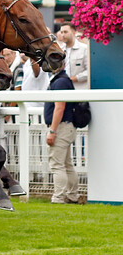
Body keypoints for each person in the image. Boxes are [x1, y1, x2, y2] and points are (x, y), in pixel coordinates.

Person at [44, 61, 81, 204]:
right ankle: (72, 196)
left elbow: (59, 108)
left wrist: (53, 131)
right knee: (66, 164)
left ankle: (58, 198)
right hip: (67, 126)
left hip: (61, 127)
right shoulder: (63, 80)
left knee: (57, 165)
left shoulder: (59, 82)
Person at [58, 22, 89, 91]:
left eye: (65, 32)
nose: (63, 35)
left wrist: (75, 78)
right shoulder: (60, 50)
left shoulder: (84, 49)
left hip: (79, 90)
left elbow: (89, 71)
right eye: (61, 32)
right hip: (62, 90)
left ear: (74, 33)